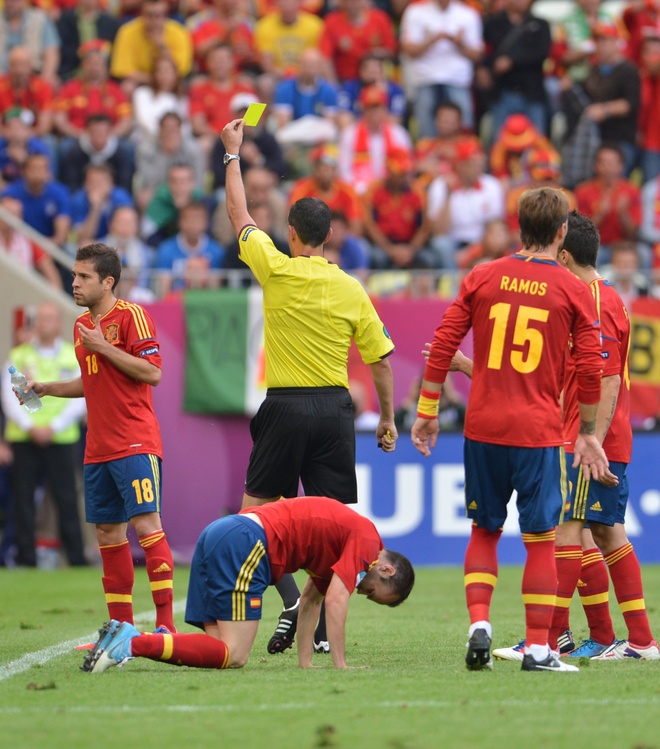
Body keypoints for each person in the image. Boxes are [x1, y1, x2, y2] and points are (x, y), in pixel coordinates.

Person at [411, 187, 611, 673]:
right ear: (562, 231)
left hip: (482, 428)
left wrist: (427, 409)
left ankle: (480, 623)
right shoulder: (572, 289)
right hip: (537, 431)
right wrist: (587, 430)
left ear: (519, 225)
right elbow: (589, 367)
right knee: (540, 539)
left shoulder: (483, 274)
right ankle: (540, 649)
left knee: (484, 530)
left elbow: (442, 343)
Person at [220, 117, 398, 655]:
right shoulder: (352, 288)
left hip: (286, 405)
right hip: (335, 410)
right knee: (336, 527)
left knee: (253, 517)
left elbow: (238, 213)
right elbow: (383, 361)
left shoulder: (276, 267)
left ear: (293, 234)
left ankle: (293, 600)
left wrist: (233, 154)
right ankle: (317, 626)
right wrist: (388, 418)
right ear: (330, 236)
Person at [491, 211, 660, 662]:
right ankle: (640, 641)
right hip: (593, 436)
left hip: (593, 441)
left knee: (565, 534)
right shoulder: (599, 298)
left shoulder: (597, 302)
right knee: (605, 533)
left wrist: (592, 442)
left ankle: (543, 638)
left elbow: (605, 380)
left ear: (564, 254)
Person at [15, 243, 176, 632]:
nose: (74, 283)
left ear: (107, 282)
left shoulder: (132, 316)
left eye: (83, 276)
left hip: (135, 441)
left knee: (146, 525)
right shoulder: (80, 325)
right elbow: (93, 382)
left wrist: (104, 346)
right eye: (73, 275)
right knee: (107, 533)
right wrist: (48, 388)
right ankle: (120, 631)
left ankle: (166, 626)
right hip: (98, 446)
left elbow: (153, 372)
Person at [81, 496, 414, 673]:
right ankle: (133, 642)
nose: (362, 592)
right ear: (385, 570)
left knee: (217, 653)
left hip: (220, 533)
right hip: (247, 543)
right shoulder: (368, 539)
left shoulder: (344, 548)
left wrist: (306, 663)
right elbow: (337, 601)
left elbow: (312, 600)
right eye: (371, 593)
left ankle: (130, 641)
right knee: (236, 654)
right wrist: (341, 666)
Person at [1, 302, 87, 568]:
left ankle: (76, 557)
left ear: (59, 323)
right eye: (41, 319)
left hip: (61, 437)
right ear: (35, 323)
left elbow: (82, 394)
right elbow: (7, 394)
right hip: (25, 437)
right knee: (23, 498)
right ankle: (25, 557)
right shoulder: (19, 355)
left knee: (67, 498)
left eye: (51, 318)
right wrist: (30, 426)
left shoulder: (71, 355)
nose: (45, 323)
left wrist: (55, 425)